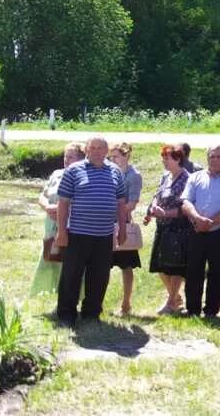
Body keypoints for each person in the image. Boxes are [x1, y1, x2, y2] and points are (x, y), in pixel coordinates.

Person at [55, 136, 127, 326]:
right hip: (78, 234)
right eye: (92, 147)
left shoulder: (115, 172)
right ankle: (66, 314)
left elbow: (121, 202)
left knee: (100, 276)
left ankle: (91, 313)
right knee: (71, 275)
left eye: (100, 148)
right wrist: (61, 231)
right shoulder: (73, 170)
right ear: (87, 150)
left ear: (106, 151)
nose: (96, 151)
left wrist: (121, 228)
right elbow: (63, 203)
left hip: (104, 235)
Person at [181, 145, 220, 318]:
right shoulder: (195, 177)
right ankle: (192, 309)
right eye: (212, 156)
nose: (215, 160)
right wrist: (198, 219)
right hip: (196, 229)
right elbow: (186, 202)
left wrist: (211, 222)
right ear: (207, 158)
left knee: (217, 271)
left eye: (219, 157)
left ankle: (211, 309)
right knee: (193, 270)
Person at [31, 142, 85, 296]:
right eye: (65, 156)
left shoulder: (82, 177)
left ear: (81, 159)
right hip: (51, 224)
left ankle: (72, 298)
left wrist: (62, 210)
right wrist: (47, 206)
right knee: (51, 257)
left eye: (71, 157)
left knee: (69, 263)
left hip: (71, 225)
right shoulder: (57, 174)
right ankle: (57, 295)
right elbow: (43, 194)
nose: (66, 160)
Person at [146, 144, 191, 314]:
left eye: (167, 158)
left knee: (175, 267)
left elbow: (185, 205)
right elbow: (157, 195)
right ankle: (175, 297)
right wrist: (152, 211)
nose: (164, 161)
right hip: (162, 226)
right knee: (160, 266)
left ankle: (171, 302)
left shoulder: (187, 178)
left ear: (178, 159)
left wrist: (165, 212)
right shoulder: (165, 176)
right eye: (163, 158)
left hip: (179, 227)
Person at [108, 142, 143, 316]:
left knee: (126, 265)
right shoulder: (107, 171)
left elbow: (132, 204)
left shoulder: (133, 175)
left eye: (116, 156)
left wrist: (111, 210)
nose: (112, 160)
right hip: (105, 225)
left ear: (126, 156)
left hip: (123, 223)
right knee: (102, 265)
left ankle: (126, 303)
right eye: (111, 157)